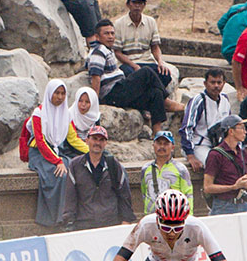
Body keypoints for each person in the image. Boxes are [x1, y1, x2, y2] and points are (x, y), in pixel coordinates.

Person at [88, 21, 175, 128]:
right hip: (112, 93)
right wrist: (94, 105)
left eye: (112, 33)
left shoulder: (107, 50)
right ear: (97, 37)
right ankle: (167, 102)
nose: (110, 37)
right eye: (106, 34)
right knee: (146, 72)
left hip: (120, 91)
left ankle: (157, 131)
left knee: (155, 93)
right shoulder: (98, 52)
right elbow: (96, 78)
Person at [60, 124, 134, 229]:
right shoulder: (75, 165)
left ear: (106, 143)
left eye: (101, 140)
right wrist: (68, 222)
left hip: (110, 223)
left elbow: (124, 194)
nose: (97, 143)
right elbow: (70, 197)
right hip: (84, 224)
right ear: (87, 140)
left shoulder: (113, 164)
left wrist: (126, 220)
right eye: (94, 139)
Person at [23, 81, 76, 226]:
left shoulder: (66, 114)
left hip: (58, 153)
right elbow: (40, 141)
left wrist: (92, 152)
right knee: (58, 175)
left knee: (73, 170)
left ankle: (70, 215)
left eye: (62, 93)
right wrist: (57, 161)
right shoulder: (39, 113)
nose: (59, 97)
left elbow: (73, 139)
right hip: (39, 154)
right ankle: (54, 217)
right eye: (56, 93)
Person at [180, 68, 235, 177]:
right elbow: (187, 128)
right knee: (216, 166)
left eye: (219, 82)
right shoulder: (198, 100)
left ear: (224, 84)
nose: (216, 86)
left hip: (219, 145)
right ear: (205, 84)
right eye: (212, 82)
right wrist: (190, 155)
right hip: (199, 145)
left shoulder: (225, 100)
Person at [111, 0, 173, 86]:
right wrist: (134, 65)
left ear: (144, 5)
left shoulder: (151, 22)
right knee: (132, 76)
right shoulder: (119, 24)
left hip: (146, 61)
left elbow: (155, 47)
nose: (137, 6)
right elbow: (117, 52)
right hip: (128, 63)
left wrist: (160, 62)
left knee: (165, 75)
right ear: (128, 4)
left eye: (140, 3)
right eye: (134, 3)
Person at [201, 118, 247, 214]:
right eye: (241, 128)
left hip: (243, 204)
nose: (245, 132)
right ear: (231, 131)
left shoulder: (242, 153)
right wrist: (233, 187)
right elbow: (207, 187)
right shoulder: (215, 155)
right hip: (223, 206)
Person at [140, 130, 194, 213]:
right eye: (159, 143)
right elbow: (144, 192)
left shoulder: (180, 169)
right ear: (153, 145)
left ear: (172, 147)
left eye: (166, 144)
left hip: (173, 217)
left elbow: (188, 194)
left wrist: (188, 216)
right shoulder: (146, 169)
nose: (162, 146)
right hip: (151, 217)